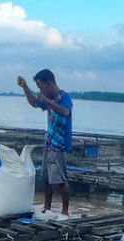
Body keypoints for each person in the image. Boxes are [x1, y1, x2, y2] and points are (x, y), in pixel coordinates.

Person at [17, 69, 72, 219]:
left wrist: (49, 102)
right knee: (46, 180)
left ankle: (65, 211)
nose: (40, 90)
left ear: (50, 83)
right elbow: (34, 103)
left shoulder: (64, 98)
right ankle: (47, 208)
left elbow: (65, 112)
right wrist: (25, 87)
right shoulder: (48, 99)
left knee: (61, 180)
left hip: (59, 145)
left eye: (41, 87)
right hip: (48, 144)